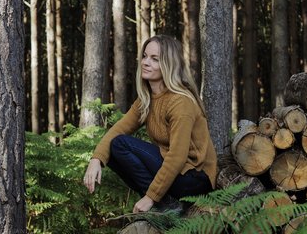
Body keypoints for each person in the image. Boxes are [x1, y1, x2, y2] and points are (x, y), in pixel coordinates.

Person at [83, 34, 218, 213]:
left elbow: (177, 157)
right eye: (145, 56)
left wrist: (150, 197)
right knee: (112, 151)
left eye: (155, 59)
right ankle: (167, 204)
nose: (146, 62)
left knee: (120, 144)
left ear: (168, 65)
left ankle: (160, 203)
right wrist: (96, 159)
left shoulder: (180, 102)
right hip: (177, 173)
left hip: (195, 178)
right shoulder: (147, 99)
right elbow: (120, 128)